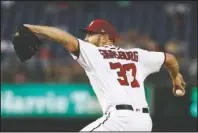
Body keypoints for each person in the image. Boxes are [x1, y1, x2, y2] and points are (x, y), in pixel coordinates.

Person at [24, 19, 186, 131]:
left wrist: (32, 28)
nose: (86, 38)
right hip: (144, 123)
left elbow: (65, 38)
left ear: (103, 35)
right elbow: (169, 59)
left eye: (90, 34)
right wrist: (176, 78)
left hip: (119, 120)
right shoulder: (138, 55)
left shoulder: (94, 52)